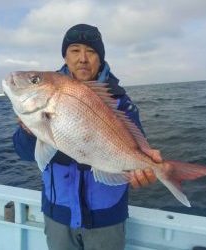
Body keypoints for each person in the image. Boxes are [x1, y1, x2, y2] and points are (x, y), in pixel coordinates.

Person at [13, 24, 162, 250]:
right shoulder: (45, 94)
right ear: (65, 55)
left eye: (91, 51)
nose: (83, 58)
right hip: (58, 215)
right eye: (74, 50)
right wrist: (27, 130)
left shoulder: (121, 103)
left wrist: (144, 168)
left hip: (107, 218)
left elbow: (136, 152)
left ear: (100, 58)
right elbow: (24, 153)